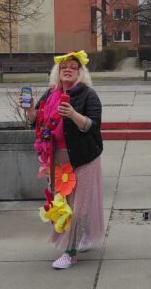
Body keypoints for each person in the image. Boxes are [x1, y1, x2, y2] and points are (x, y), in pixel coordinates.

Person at [26, 50, 104, 270]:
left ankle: (70, 254)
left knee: (80, 206)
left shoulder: (88, 95)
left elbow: (93, 126)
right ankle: (84, 234)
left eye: (73, 67)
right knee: (63, 204)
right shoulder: (50, 94)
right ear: (57, 72)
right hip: (57, 158)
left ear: (80, 72)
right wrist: (30, 110)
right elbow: (38, 123)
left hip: (83, 157)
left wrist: (73, 114)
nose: (68, 70)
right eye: (64, 67)